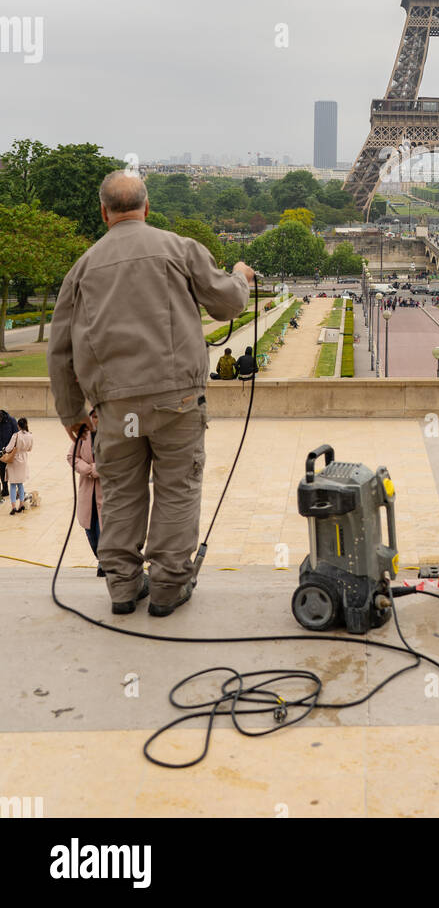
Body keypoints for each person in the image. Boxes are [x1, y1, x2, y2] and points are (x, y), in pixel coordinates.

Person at [47, 170, 253, 619]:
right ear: (147, 207)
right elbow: (228, 304)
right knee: (178, 490)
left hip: (115, 407)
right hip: (176, 400)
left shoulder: (81, 267)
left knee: (120, 492)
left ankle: (122, 588)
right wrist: (240, 275)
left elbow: (59, 346)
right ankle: (168, 588)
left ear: (103, 212)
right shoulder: (178, 248)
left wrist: (70, 411)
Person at [67, 408, 105, 575]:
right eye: (94, 417)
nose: (96, 420)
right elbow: (71, 456)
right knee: (90, 531)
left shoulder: (113, 436)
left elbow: (122, 459)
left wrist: (101, 469)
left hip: (105, 495)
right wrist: (88, 469)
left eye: (99, 417)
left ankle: (105, 562)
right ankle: (101, 558)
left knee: (103, 529)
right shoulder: (83, 435)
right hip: (87, 492)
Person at [3, 417, 33, 515]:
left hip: (14, 460)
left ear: (18, 425)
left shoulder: (15, 436)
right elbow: (30, 449)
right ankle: (21, 504)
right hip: (23, 460)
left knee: (12, 484)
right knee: (20, 484)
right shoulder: (30, 435)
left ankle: (13, 507)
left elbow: (8, 449)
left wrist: (4, 449)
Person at [0, 407, 17, 498]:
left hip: (9, 451)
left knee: (13, 471)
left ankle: (18, 491)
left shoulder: (11, 420)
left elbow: (16, 435)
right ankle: (5, 489)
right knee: (2, 471)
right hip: (0, 452)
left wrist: (12, 449)